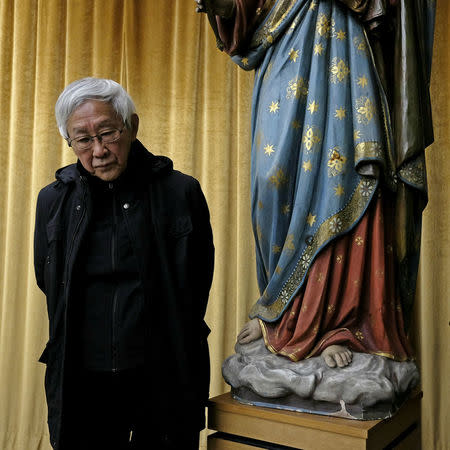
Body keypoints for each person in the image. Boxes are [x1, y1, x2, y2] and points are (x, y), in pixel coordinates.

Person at [197, 0, 435, 368]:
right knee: (274, 180)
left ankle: (337, 326)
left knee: (345, 179)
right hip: (283, 46)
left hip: (345, 48)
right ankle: (281, 308)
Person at [34, 77, 214, 450]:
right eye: (83, 139)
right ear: (70, 142)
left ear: (131, 127)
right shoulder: (53, 201)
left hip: (163, 375)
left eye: (107, 133)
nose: (98, 150)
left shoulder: (180, 192)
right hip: (84, 381)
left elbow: (197, 280)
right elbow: (46, 278)